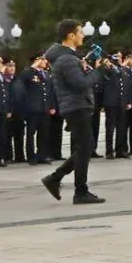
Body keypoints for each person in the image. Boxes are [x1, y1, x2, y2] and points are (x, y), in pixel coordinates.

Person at [39, 19, 105, 205]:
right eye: (80, 32)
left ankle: (56, 179)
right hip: (76, 106)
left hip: (77, 105)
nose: (83, 36)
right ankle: (78, 191)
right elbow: (81, 84)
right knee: (84, 148)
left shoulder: (69, 57)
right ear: (71, 35)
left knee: (84, 148)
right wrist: (98, 71)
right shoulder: (67, 59)